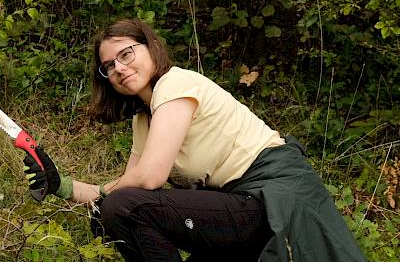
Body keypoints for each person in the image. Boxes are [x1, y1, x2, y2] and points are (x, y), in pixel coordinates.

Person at [23, 18, 366, 261]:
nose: (119, 68)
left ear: (151, 47)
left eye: (126, 54)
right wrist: (62, 185)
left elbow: (150, 178)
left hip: (274, 198)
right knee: (114, 210)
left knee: (120, 209)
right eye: (109, 66)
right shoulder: (144, 121)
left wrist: (106, 195)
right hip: (239, 204)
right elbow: (127, 187)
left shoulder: (175, 84)